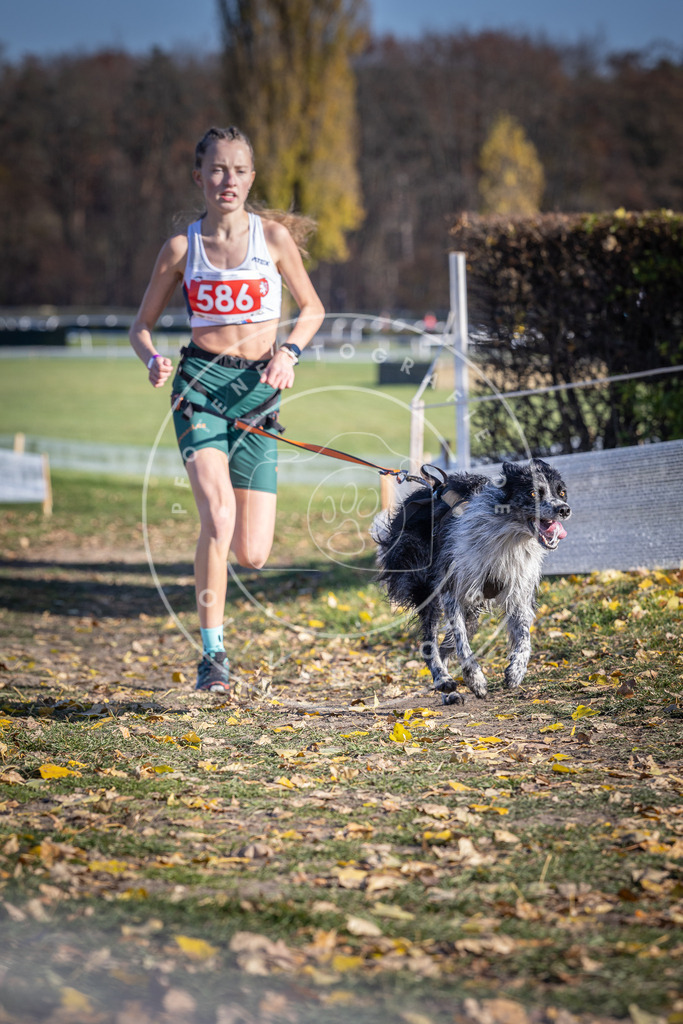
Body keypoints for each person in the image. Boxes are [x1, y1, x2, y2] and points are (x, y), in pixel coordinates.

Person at [130, 126, 325, 692]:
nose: (228, 180)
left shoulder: (274, 240)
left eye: (238, 170)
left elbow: (312, 309)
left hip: (260, 395)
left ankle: (217, 640)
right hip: (200, 389)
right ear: (199, 177)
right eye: (217, 169)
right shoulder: (181, 249)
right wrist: (152, 359)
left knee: (253, 553)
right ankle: (212, 656)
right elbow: (141, 326)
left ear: (251, 178)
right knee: (216, 516)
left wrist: (288, 352)